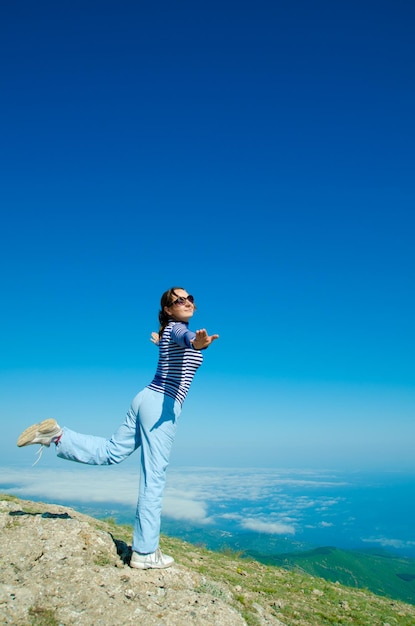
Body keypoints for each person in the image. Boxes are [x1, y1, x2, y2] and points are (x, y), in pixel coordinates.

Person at [17, 287, 219, 570]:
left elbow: (172, 344)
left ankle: (57, 436)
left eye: (189, 298)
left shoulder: (169, 332)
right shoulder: (180, 330)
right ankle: (146, 552)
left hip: (146, 397)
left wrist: (162, 341)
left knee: (112, 451)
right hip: (162, 405)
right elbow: (186, 340)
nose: (186, 302)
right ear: (169, 310)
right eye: (178, 300)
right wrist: (198, 343)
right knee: (154, 477)